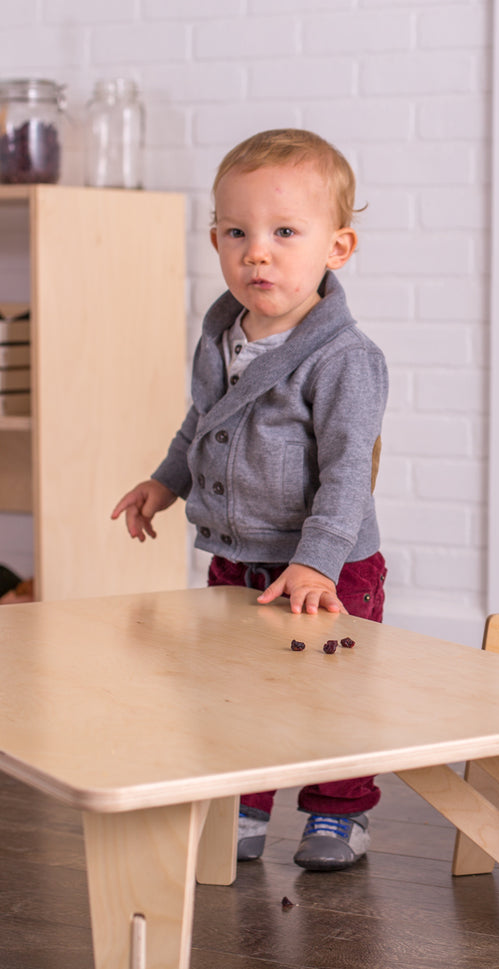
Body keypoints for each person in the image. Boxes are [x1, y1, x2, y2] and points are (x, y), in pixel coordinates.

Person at [111, 128, 388, 872]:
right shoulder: (222, 335)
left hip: (325, 564)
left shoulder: (344, 358)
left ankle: (338, 813)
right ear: (215, 240)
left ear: (338, 247)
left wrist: (318, 564)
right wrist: (166, 481)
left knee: (333, 688)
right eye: (237, 232)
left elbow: (346, 474)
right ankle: (246, 801)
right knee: (233, 691)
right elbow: (205, 420)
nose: (256, 251)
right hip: (237, 555)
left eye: (284, 232)